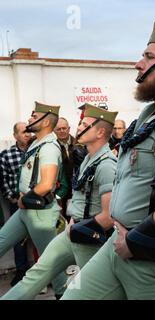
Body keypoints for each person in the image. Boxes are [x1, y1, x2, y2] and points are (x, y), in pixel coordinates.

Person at [61, 21, 155, 300]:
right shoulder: (147, 118)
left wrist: (132, 242)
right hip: (118, 244)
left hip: (152, 259)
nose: (138, 64)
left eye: (149, 57)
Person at [1, 105, 118, 300]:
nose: (78, 128)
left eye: (85, 124)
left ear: (101, 132)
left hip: (90, 239)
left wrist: (76, 228)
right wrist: (71, 226)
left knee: (85, 293)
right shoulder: (89, 159)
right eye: (80, 123)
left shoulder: (106, 165)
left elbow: (108, 216)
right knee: (36, 274)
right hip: (73, 231)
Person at [0, 102, 67, 299]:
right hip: (26, 210)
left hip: (40, 214)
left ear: (45, 121)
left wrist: (23, 199)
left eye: (33, 115)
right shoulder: (37, 143)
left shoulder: (48, 148)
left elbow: (46, 184)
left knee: (51, 262)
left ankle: (63, 294)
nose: (29, 118)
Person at [0, 122, 32, 286]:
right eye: (23, 132)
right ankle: (21, 270)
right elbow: (3, 179)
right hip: (16, 204)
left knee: (38, 236)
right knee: (17, 238)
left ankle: (43, 271)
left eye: (28, 131)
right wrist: (11, 197)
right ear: (15, 136)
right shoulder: (6, 155)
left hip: (36, 202)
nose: (27, 134)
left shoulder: (37, 151)